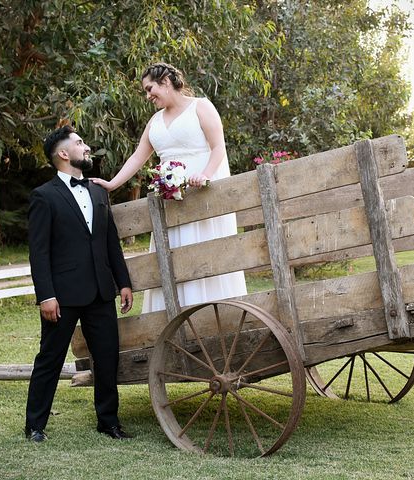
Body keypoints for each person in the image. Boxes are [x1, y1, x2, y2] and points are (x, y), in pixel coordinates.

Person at [92, 62, 247, 312]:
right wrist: (111, 184)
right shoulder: (155, 121)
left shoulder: (201, 106)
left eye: (149, 88)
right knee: (173, 252)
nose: (147, 95)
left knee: (202, 250)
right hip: (171, 199)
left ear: (165, 81)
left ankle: (213, 312)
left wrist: (204, 175)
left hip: (201, 195)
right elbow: (137, 157)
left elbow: (218, 147)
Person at [25, 125, 134, 442]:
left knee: (107, 356)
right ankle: (35, 425)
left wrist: (122, 282)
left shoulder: (99, 192)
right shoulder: (43, 197)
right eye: (79, 142)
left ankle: (108, 422)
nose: (86, 147)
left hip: (101, 290)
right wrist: (46, 295)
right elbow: (39, 252)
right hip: (63, 295)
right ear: (63, 153)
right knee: (50, 358)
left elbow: (110, 242)